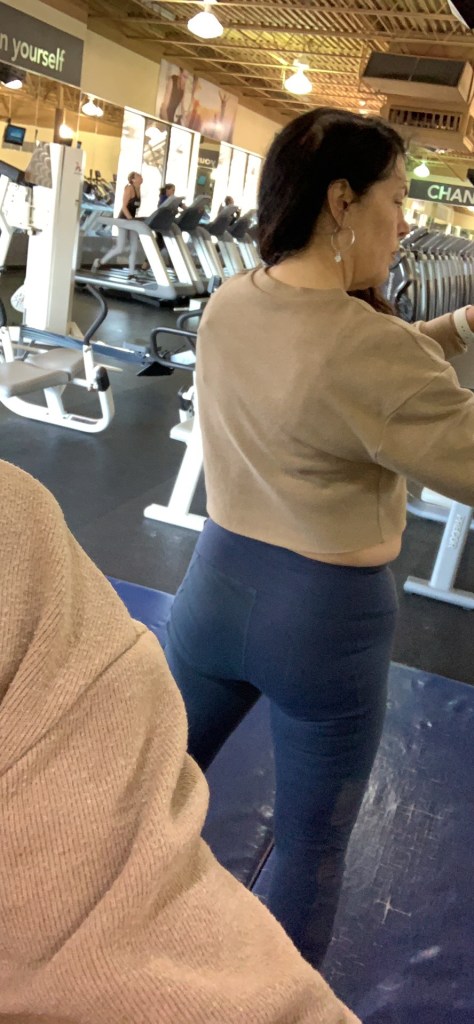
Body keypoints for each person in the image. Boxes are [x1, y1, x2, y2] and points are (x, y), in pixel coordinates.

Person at [163, 107, 474, 969]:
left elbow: (347, 373)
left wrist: (459, 326)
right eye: (396, 199)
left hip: (213, 591)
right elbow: (368, 376)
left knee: (145, 787)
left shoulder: (233, 300)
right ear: (342, 201)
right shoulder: (369, 351)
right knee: (310, 853)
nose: (403, 223)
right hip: (322, 627)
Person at [0, 458, 359, 1024]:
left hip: (216, 578)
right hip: (326, 609)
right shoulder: (14, 525)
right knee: (314, 840)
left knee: (148, 792)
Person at [92, 171, 143, 278]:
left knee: (134, 248)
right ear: (133, 179)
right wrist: (130, 219)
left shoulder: (138, 189)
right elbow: (124, 206)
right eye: (138, 176)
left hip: (132, 221)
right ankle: (100, 262)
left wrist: (133, 220)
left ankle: (131, 273)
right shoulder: (129, 188)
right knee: (120, 248)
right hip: (124, 220)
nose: (141, 177)